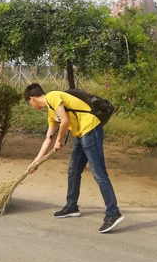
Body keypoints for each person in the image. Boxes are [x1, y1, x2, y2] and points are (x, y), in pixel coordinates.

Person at [24, 83, 124, 233]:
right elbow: (48, 139)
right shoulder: (51, 112)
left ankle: (113, 213)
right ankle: (71, 206)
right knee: (73, 171)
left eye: (28, 103)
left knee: (98, 173)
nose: (30, 105)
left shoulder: (53, 96)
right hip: (81, 135)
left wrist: (59, 140)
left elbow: (64, 122)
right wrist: (36, 162)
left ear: (31, 99)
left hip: (90, 130)